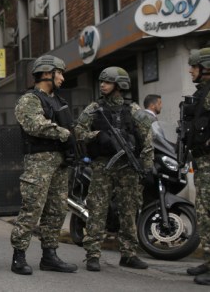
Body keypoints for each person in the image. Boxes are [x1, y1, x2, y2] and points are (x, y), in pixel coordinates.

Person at [75, 66, 153, 272]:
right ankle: (92, 254)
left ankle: (129, 254)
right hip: (103, 165)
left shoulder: (133, 109)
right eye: (102, 81)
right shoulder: (94, 108)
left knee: (129, 209)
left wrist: (147, 166)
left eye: (107, 82)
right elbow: (78, 130)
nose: (102, 85)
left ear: (120, 85)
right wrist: (97, 135)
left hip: (128, 167)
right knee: (98, 208)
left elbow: (147, 138)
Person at [9, 54, 78, 275]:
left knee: (57, 210)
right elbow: (34, 125)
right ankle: (19, 256)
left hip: (59, 162)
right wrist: (64, 133)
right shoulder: (30, 99)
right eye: (60, 73)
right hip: (39, 162)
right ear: (47, 73)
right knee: (33, 209)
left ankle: (50, 256)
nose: (63, 78)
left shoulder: (59, 101)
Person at [183, 47, 210, 285]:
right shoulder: (203, 93)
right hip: (203, 160)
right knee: (204, 211)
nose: (191, 70)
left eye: (194, 66)